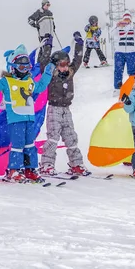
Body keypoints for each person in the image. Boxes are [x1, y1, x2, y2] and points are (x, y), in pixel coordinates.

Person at [0, 45, 55, 183]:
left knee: (30, 144)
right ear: (12, 67)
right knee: (18, 144)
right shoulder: (7, 81)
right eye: (21, 67)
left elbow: (40, 87)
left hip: (29, 118)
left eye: (27, 67)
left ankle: (30, 169)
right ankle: (13, 170)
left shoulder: (29, 81)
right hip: (15, 119)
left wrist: (47, 74)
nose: (25, 70)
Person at [39, 32, 91, 177]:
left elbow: (78, 59)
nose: (65, 67)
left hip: (66, 109)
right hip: (54, 109)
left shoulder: (70, 73)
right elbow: (43, 61)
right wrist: (48, 45)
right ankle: (46, 165)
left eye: (66, 64)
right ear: (56, 65)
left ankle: (76, 164)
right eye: (62, 64)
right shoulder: (50, 73)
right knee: (53, 137)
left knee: (71, 137)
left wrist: (79, 43)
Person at [112, 10, 135, 97]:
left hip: (131, 52)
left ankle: (132, 87)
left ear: (130, 20)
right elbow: (112, 34)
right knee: (118, 71)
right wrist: (117, 26)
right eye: (125, 19)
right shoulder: (119, 28)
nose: (126, 21)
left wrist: (133, 26)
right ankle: (117, 88)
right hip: (119, 52)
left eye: (128, 19)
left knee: (132, 72)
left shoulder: (133, 27)